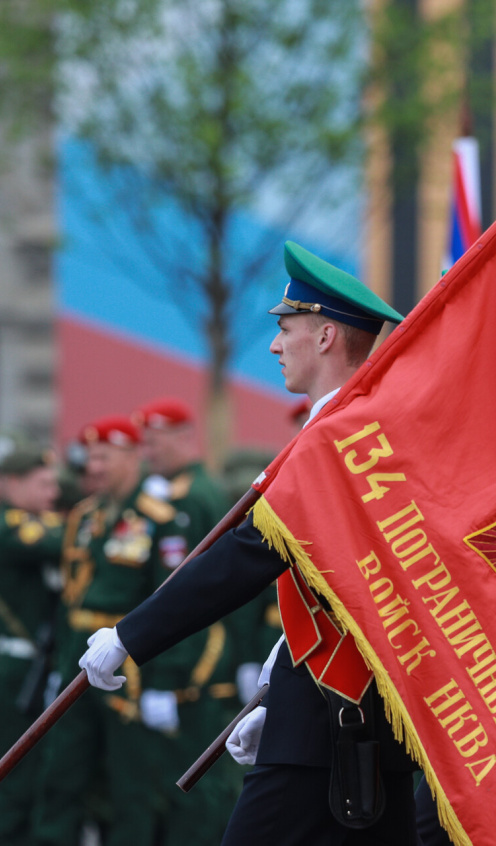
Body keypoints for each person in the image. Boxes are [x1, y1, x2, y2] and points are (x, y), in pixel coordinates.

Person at [77, 242, 416, 846]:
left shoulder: (338, 438)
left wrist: (130, 637)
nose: (274, 346)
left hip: (335, 711)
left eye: (286, 329)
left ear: (326, 336)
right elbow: (328, 578)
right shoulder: (356, 428)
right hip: (338, 712)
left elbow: (248, 555)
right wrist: (276, 694)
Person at [31, 417, 176, 846]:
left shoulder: (158, 517)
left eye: (104, 457)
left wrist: (163, 681)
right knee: (61, 771)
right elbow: (70, 600)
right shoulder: (83, 516)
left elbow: (171, 602)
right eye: (91, 458)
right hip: (77, 656)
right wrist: (59, 666)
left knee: (131, 783)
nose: (93, 467)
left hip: (128, 662)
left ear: (133, 457)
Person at [132, 397, 243, 844]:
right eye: (145, 443)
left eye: (156, 441)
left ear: (183, 437)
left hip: (194, 670)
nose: (149, 452)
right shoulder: (182, 492)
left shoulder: (193, 498)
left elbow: (185, 596)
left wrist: (168, 680)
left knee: (194, 793)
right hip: (188, 664)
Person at [0, 445, 62, 845]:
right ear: (10, 483)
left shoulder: (44, 521)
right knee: (16, 771)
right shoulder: (11, 525)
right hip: (16, 666)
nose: (52, 493)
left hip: (38, 665)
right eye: (42, 484)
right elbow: (52, 543)